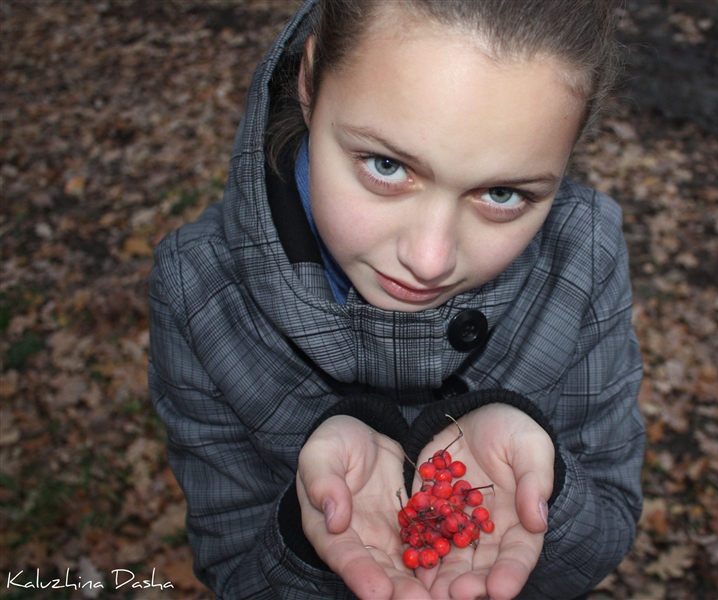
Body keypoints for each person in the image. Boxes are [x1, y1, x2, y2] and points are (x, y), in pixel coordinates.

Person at [148, 0, 645, 598]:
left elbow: (607, 525)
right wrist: (309, 532)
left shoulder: (582, 254)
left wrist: (547, 482)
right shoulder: (199, 290)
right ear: (310, 81)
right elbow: (236, 574)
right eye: (386, 165)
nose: (429, 259)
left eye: (504, 194)